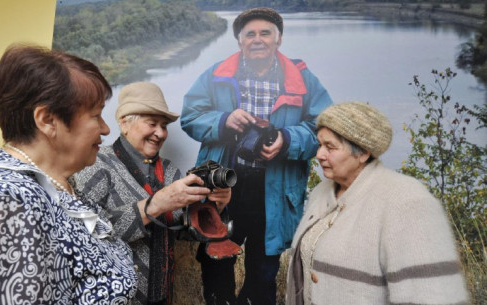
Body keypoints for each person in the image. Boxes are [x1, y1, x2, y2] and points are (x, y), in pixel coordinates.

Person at [0, 45, 138, 304]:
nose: (104, 128)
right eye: (96, 115)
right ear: (47, 119)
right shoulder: (2, 204)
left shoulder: (56, 189)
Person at [180, 7, 333, 305]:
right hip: (225, 185)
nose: (258, 39)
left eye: (265, 33)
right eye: (250, 34)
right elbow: (190, 117)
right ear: (239, 41)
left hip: (274, 188)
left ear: (279, 39)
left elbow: (324, 127)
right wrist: (224, 120)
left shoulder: (302, 79)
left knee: (263, 269)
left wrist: (286, 140)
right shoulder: (217, 75)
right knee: (215, 259)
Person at [286, 102, 470, 305]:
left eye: (330, 147)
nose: (319, 154)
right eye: (320, 144)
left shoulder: (407, 201)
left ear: (363, 152)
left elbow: (434, 296)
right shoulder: (321, 194)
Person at [73, 81, 232, 305]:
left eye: (164, 125)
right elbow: (84, 235)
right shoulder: (96, 165)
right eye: (152, 124)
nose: (160, 133)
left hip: (162, 297)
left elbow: (184, 232)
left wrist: (217, 206)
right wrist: (155, 205)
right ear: (124, 123)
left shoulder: (170, 171)